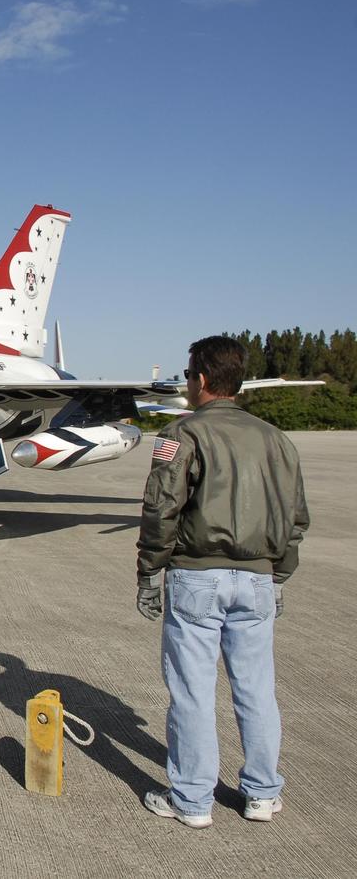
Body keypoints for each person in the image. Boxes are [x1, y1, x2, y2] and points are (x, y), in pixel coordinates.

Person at [135, 335, 309, 829]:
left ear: (202, 380)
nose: (187, 383)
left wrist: (149, 569)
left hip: (196, 577)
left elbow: (160, 507)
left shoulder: (180, 435)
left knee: (192, 690)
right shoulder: (279, 440)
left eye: (189, 375)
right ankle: (262, 794)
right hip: (258, 579)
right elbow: (296, 517)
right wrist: (279, 574)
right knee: (256, 689)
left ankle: (192, 800)